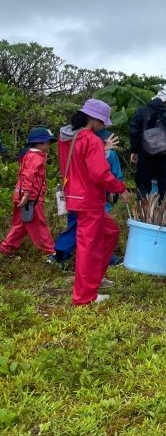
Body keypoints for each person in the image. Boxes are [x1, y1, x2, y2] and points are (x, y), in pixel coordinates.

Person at [59, 100, 130, 305]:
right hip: (89, 200)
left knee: (110, 231)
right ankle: (84, 296)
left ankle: (94, 279)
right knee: (88, 247)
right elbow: (100, 173)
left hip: (76, 196)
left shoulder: (68, 138)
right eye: (103, 123)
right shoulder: (90, 139)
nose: (103, 127)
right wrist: (120, 188)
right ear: (96, 119)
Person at [51, 128, 125, 269]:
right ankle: (61, 256)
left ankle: (98, 259)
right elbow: (96, 172)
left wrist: (112, 191)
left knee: (94, 230)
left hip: (84, 196)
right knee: (81, 229)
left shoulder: (108, 154)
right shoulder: (84, 145)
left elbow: (112, 175)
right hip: (84, 197)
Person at [0, 128, 58, 261]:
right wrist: (26, 196)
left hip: (24, 197)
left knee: (20, 225)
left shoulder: (31, 155)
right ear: (39, 143)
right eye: (48, 143)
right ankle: (50, 252)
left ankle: (5, 250)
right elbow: (29, 175)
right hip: (30, 199)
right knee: (39, 225)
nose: (49, 146)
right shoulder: (35, 156)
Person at [129, 89, 166, 201]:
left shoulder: (141, 111)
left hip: (145, 154)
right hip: (164, 156)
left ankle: (142, 214)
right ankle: (165, 213)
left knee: (143, 185)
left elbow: (134, 132)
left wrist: (134, 150)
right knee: (165, 187)